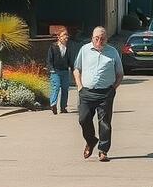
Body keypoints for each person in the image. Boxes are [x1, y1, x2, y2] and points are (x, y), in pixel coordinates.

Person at [72, 26, 122, 161]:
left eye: (102, 38)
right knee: (83, 119)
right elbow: (77, 69)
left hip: (105, 93)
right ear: (92, 38)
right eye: (97, 38)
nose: (99, 41)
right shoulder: (84, 50)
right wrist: (80, 87)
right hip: (86, 91)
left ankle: (103, 150)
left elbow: (120, 74)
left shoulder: (113, 52)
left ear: (107, 39)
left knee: (105, 122)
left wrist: (113, 88)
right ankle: (91, 140)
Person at [46, 30, 75, 115]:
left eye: (66, 35)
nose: (66, 37)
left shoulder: (68, 48)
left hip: (65, 71)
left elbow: (70, 60)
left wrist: (73, 70)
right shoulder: (53, 47)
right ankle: (53, 104)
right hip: (55, 71)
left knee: (65, 89)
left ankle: (63, 107)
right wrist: (51, 68)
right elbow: (49, 59)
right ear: (59, 37)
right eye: (63, 35)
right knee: (56, 86)